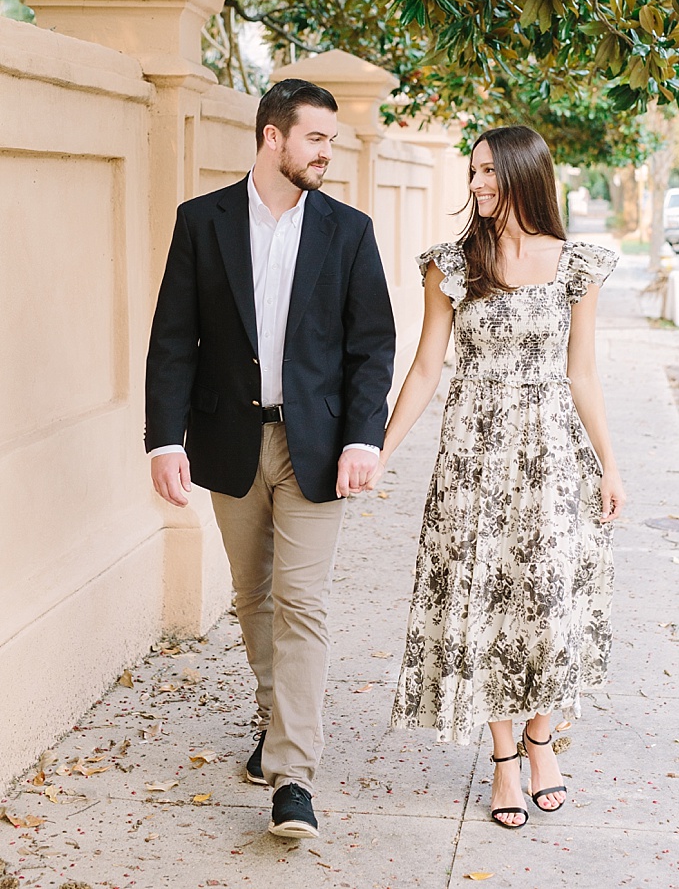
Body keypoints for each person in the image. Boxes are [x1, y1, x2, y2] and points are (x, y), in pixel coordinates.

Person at [145, 79, 395, 838]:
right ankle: (272, 715)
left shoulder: (348, 231)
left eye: (331, 140)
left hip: (315, 444)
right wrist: (162, 438)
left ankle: (292, 775)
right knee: (251, 598)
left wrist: (363, 435)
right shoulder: (202, 221)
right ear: (271, 137)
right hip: (228, 439)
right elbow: (171, 339)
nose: (328, 152)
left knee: (302, 602)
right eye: (316, 138)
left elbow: (371, 346)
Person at [368, 125, 625, 829]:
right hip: (472, 462)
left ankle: (542, 740)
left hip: (550, 461)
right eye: (473, 171)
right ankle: (504, 759)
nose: (477, 184)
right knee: (482, 607)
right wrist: (382, 449)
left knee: (545, 603)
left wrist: (609, 465)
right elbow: (425, 368)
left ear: (523, 175)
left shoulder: (576, 265)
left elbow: (581, 372)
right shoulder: (452, 264)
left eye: (489, 172)